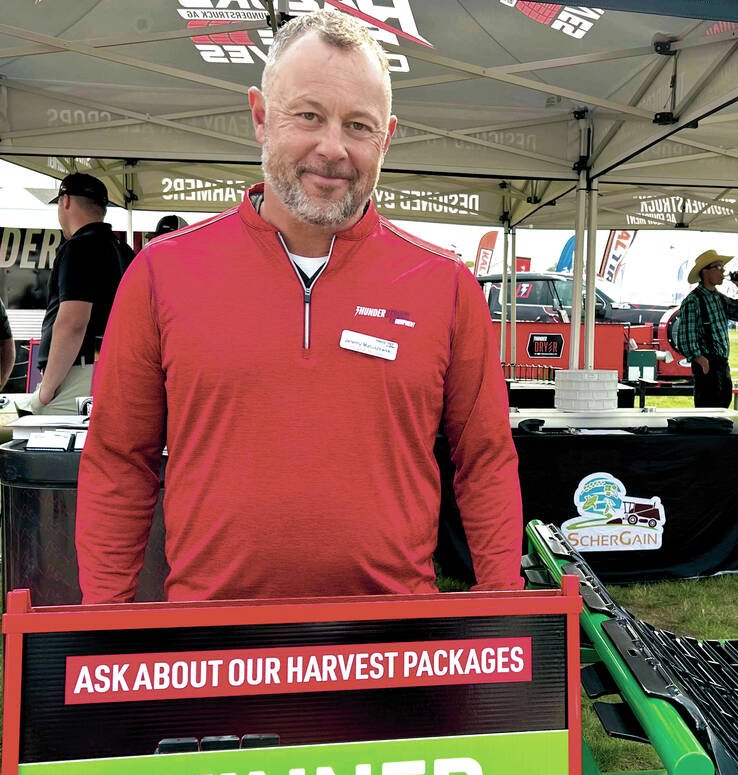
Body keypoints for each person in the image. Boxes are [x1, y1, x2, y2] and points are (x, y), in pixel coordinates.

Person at [76, 9, 522, 603]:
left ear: (386, 137)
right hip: (213, 654)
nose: (332, 149)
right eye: (308, 116)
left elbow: (485, 460)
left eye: (358, 125)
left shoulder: (445, 284)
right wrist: (106, 619)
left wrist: (506, 607)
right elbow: (118, 459)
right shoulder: (162, 272)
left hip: (394, 650)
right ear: (261, 117)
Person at [22, 172, 134, 414]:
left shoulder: (80, 246)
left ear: (66, 201)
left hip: (79, 375)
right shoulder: (123, 250)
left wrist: (46, 391)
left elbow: (73, 322)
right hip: (113, 369)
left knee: (54, 447)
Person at [673, 248, 738, 408]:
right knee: (707, 412)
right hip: (707, 363)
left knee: (722, 409)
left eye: (722, 267)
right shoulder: (693, 300)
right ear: (705, 272)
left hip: (721, 363)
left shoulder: (718, 298)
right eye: (718, 267)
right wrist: (701, 360)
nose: (723, 272)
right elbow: (685, 337)